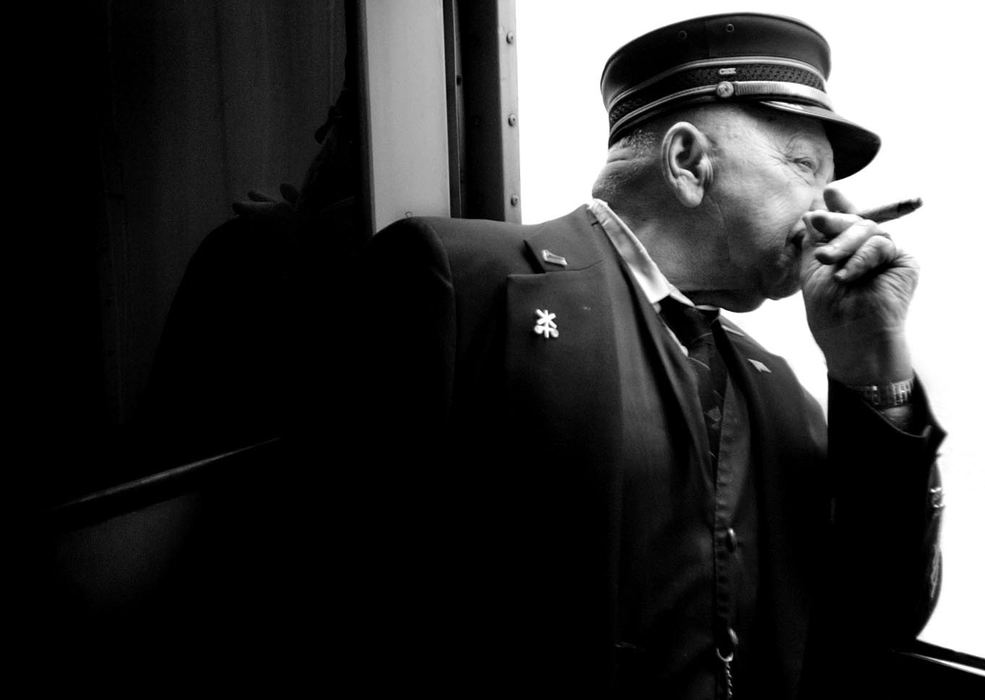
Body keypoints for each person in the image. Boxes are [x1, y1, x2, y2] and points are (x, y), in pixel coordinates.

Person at [339, 13, 945, 698]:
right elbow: (348, 587)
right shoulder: (460, 279)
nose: (831, 209)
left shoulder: (775, 389)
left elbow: (881, 612)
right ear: (687, 161)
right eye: (804, 167)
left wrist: (873, 369)